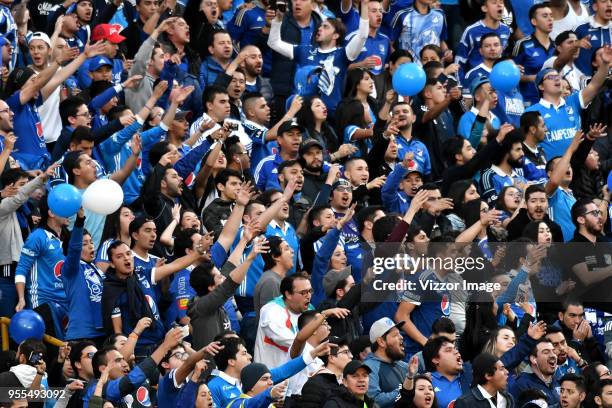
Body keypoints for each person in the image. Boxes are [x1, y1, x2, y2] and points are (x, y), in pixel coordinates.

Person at [364, 317, 408, 408]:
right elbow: (374, 401)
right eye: (395, 335)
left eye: (400, 334)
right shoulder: (368, 367)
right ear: (381, 342)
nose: (401, 337)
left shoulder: (403, 365)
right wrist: (405, 390)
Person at [423, 336, 473, 408]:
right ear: (436, 359)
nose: (456, 352)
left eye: (456, 349)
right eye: (449, 350)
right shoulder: (427, 382)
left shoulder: (471, 375)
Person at [509, 339, 561, 406]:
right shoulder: (522, 385)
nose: (553, 355)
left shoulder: (559, 380)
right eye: (546, 352)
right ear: (534, 359)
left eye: (554, 351)